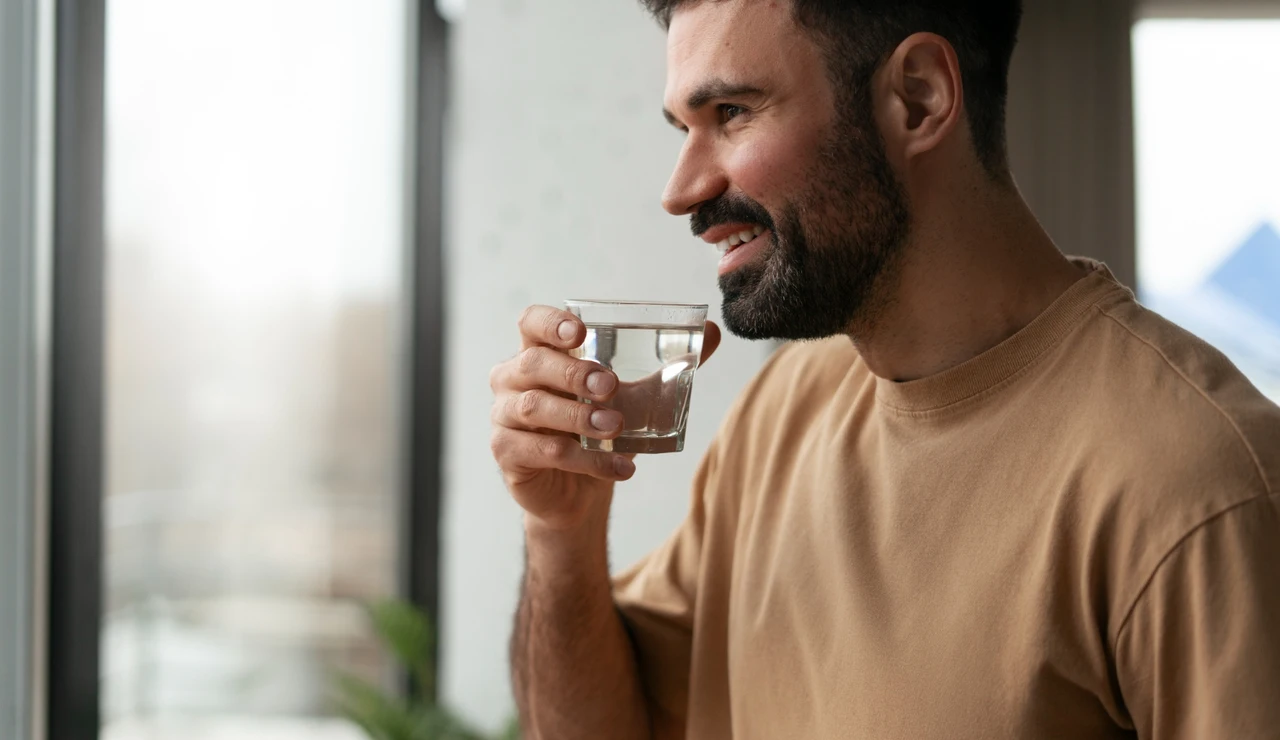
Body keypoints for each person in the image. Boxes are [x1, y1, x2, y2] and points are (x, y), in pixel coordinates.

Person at [488, 0, 1280, 737]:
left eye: (731, 113)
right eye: (683, 128)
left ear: (919, 98)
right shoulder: (783, 412)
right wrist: (562, 532)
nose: (682, 189)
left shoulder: (1198, 484)